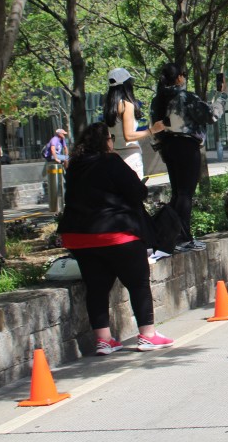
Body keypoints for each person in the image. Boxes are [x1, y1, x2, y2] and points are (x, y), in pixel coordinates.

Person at [58, 122, 173, 354]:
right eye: (110, 138)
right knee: (138, 283)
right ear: (105, 141)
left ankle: (103, 340)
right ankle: (147, 335)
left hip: (79, 237)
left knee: (96, 287)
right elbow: (137, 192)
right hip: (116, 232)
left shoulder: (75, 165)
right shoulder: (110, 161)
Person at [150, 63, 228, 252]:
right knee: (185, 194)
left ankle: (172, 235)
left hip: (168, 146)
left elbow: (155, 127)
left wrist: (161, 148)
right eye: (183, 74)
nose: (184, 77)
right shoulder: (185, 97)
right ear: (179, 77)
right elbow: (211, 115)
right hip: (187, 146)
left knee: (177, 193)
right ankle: (183, 237)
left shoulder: (158, 99)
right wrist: (222, 96)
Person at [104, 68, 165, 179]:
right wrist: (153, 130)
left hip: (115, 154)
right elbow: (129, 136)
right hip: (130, 156)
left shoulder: (109, 107)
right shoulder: (126, 105)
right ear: (126, 84)